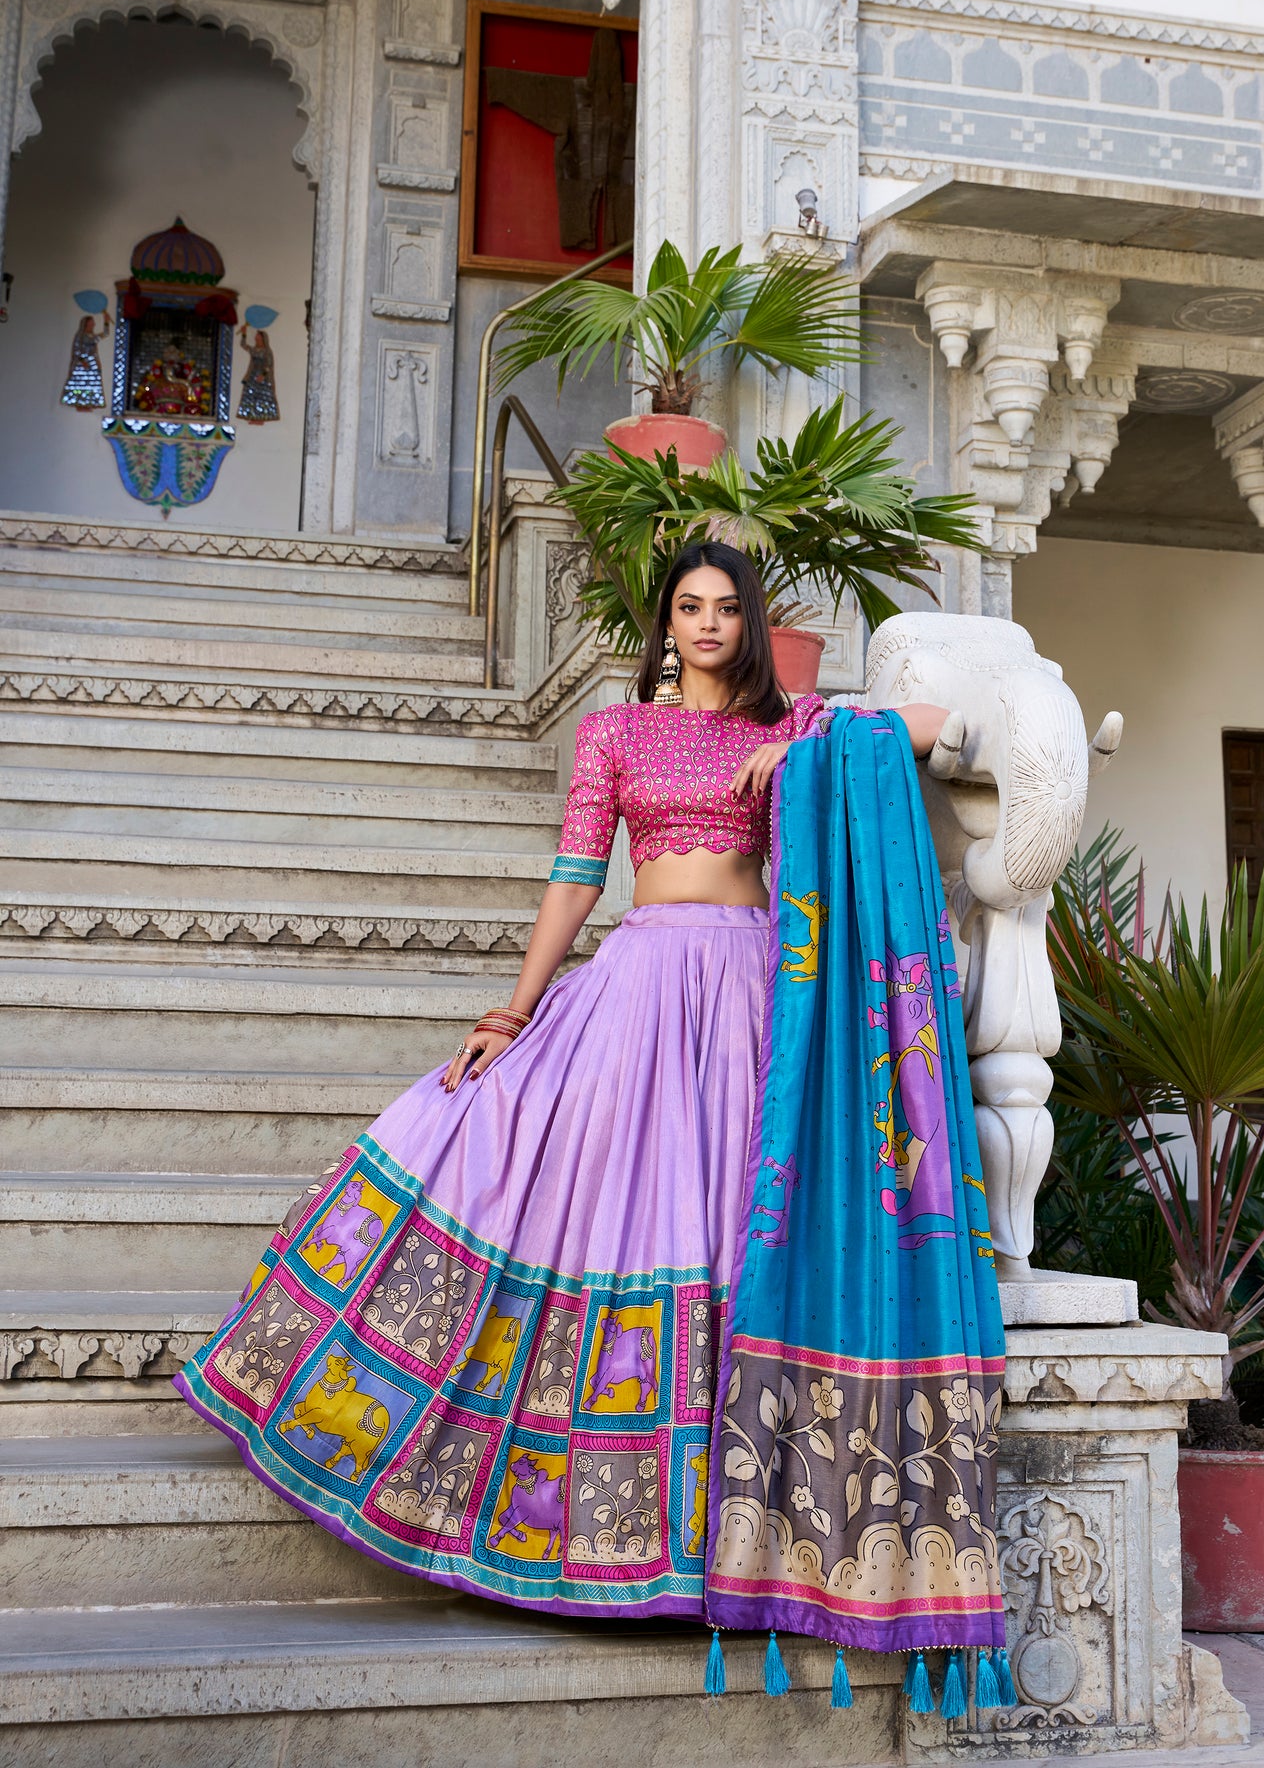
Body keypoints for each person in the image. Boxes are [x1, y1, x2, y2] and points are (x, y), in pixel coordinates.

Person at [176, 542, 975, 1645]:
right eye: (687, 607)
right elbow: (573, 873)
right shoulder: (614, 730)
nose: (705, 624)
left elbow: (935, 725)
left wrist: (816, 739)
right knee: (569, 1176)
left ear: (751, 620)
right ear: (664, 622)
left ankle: (733, 1541)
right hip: (643, 984)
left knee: (734, 1235)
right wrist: (514, 1008)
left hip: (755, 998)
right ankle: (600, 1524)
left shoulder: (792, 731)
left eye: (725, 606)